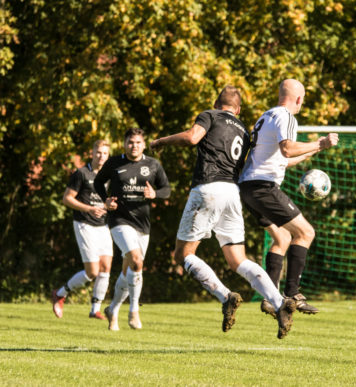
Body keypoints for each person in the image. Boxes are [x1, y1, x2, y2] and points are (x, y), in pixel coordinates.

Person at [149, 85, 296, 339]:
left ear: (217, 104)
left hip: (208, 188)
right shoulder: (244, 130)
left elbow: (193, 137)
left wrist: (162, 141)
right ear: (238, 110)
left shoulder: (210, 115)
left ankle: (225, 295)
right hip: (232, 193)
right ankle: (280, 302)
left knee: (182, 254)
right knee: (238, 260)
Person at [238, 79, 338, 317]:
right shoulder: (286, 117)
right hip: (263, 187)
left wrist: (317, 149)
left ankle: (270, 298)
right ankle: (292, 294)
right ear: (300, 99)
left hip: (249, 187)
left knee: (282, 237)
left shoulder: (267, 116)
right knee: (305, 233)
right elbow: (288, 149)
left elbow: (283, 159)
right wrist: (321, 142)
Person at [94, 127, 171, 330]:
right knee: (136, 261)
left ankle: (113, 308)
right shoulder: (114, 163)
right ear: (124, 144)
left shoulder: (153, 165)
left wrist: (155, 194)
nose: (134, 146)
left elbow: (167, 189)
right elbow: (98, 182)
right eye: (130, 142)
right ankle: (134, 310)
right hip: (119, 220)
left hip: (142, 224)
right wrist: (106, 200)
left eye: (138, 142)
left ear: (143, 145)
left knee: (130, 268)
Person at [52, 140, 114, 320]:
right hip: (84, 224)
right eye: (98, 152)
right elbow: (67, 199)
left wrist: (110, 206)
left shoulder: (110, 175)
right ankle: (60, 293)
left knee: (106, 268)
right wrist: (89, 209)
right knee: (92, 272)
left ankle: (95, 309)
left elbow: (110, 200)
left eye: (104, 153)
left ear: (108, 155)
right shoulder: (81, 173)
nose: (101, 156)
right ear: (92, 153)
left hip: (103, 225)